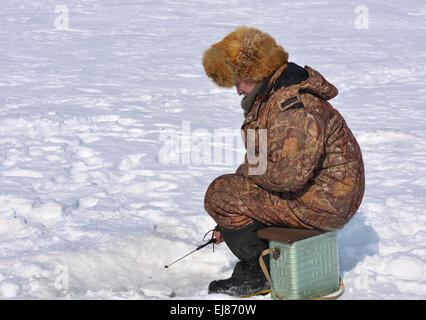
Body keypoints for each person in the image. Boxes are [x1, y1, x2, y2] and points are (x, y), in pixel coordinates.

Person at [202, 26, 365, 297]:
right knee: (226, 194)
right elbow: (260, 164)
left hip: (325, 200)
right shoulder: (270, 98)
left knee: (221, 195)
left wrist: (239, 196)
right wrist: (228, 222)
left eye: (238, 81)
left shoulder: (291, 104)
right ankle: (263, 257)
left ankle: (259, 271)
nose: (238, 90)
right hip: (315, 194)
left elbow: (288, 176)